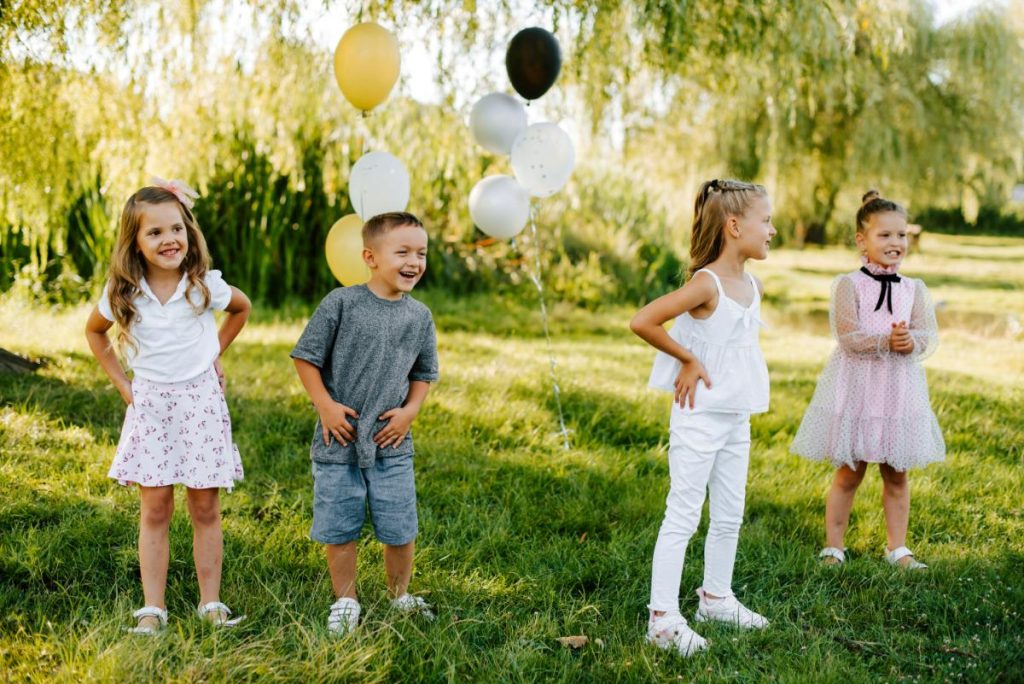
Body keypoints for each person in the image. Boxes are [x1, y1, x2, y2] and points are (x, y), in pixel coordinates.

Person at [84, 179, 251, 634]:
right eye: (154, 232)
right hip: (151, 407)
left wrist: (213, 352)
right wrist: (123, 384)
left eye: (176, 228)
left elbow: (242, 308)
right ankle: (152, 607)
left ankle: (210, 603)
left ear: (189, 232)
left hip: (199, 403)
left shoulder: (203, 286)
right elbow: (94, 333)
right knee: (155, 509)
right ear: (134, 241)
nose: (168, 239)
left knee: (205, 508)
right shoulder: (124, 291)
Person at [630, 179, 775, 657]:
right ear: (735, 226)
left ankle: (716, 597)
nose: (772, 230)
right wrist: (688, 359)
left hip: (736, 416)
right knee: (684, 513)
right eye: (766, 221)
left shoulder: (750, 283)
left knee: (730, 512)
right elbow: (644, 320)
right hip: (699, 417)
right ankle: (662, 619)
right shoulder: (705, 283)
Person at [291, 211, 439, 635]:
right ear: (370, 258)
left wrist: (410, 411)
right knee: (340, 523)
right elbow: (306, 357)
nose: (414, 261)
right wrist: (326, 406)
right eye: (403, 252)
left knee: (399, 523)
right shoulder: (341, 303)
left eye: (421, 253)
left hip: (390, 440)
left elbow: (424, 373)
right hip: (339, 437)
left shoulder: (419, 316)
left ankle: (400, 595)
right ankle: (346, 600)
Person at [791, 190, 944, 569]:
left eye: (901, 235)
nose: (895, 243)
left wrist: (909, 341)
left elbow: (927, 336)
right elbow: (847, 336)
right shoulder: (848, 284)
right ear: (862, 239)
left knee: (897, 473)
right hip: (860, 390)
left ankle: (898, 548)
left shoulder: (914, 288)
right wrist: (884, 340)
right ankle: (834, 547)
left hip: (897, 392)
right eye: (885, 235)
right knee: (850, 472)